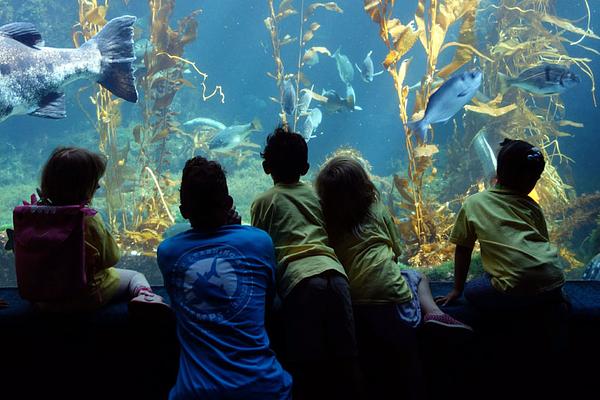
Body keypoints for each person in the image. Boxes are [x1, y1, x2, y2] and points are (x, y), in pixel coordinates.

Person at [315, 156, 472, 400]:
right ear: (365, 186)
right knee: (417, 278)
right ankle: (434, 313)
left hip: (351, 303)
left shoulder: (326, 220)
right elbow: (396, 251)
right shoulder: (377, 210)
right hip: (393, 302)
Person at [157, 156, 292, 400]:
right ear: (229, 203)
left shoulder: (168, 252)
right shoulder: (259, 241)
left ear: (183, 211)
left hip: (196, 393)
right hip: (265, 388)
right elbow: (266, 300)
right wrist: (236, 229)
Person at [251, 126, 362, 400]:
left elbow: (261, 250)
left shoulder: (263, 202)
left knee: (305, 363)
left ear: (266, 167)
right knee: (347, 359)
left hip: (300, 282)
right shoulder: (318, 197)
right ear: (306, 167)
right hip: (335, 275)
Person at [437, 139, 565, 309]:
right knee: (538, 292)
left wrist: (457, 289)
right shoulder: (532, 206)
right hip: (554, 279)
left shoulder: (473, 203)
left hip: (515, 286)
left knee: (473, 291)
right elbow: (542, 242)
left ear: (498, 172)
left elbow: (463, 249)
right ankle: (551, 303)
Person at [34, 147, 166, 312]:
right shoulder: (87, 220)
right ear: (85, 188)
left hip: (44, 299)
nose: (98, 185)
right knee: (134, 276)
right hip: (85, 296)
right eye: (95, 181)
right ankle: (147, 297)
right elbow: (110, 258)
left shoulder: (36, 217)